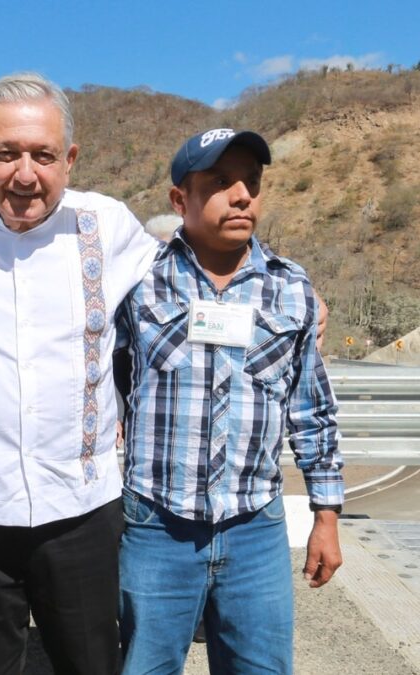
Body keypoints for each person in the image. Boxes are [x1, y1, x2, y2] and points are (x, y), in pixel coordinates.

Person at [0, 73, 160, 674]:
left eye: (43, 155)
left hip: (81, 506)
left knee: (89, 662)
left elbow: (188, 280)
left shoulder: (110, 227)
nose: (25, 174)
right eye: (6, 154)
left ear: (69, 159)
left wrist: (264, 293)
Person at [115, 129, 343, 673]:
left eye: (252, 183)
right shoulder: (136, 280)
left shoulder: (291, 290)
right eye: (220, 183)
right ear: (179, 200)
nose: (243, 195)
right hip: (155, 524)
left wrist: (326, 516)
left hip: (255, 530)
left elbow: (311, 410)